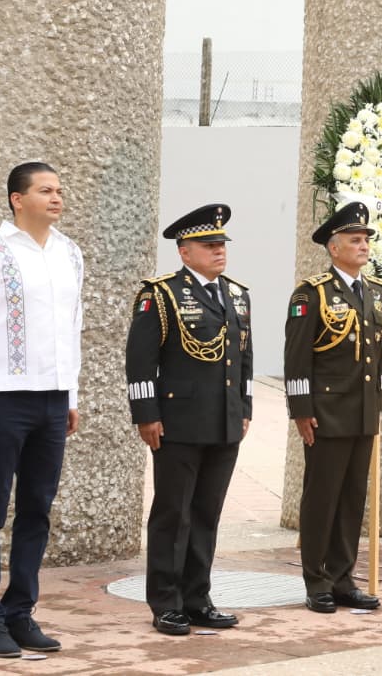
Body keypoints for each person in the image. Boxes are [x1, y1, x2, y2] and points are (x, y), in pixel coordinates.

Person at [0, 162, 82, 659]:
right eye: (45, 190)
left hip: (52, 399)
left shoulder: (70, 253)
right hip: (1, 397)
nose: (56, 197)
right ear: (16, 198)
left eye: (59, 190)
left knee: (37, 508)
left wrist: (70, 395)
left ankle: (20, 611)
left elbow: (72, 328)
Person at [126, 204, 252, 635]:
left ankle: (198, 597)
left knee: (207, 513)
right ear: (185, 252)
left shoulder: (236, 294)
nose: (219, 251)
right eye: (209, 244)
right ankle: (166, 601)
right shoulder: (160, 295)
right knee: (172, 513)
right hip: (178, 422)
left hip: (224, 422)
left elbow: (244, 359)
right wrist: (146, 414)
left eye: (222, 244)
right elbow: (140, 362)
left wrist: (245, 408)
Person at [284, 201, 382, 614]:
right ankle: (317, 580)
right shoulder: (313, 293)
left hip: (363, 412)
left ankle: (344, 577)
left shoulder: (376, 292)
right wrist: (301, 410)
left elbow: (376, 354)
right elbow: (296, 357)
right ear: (334, 247)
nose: (363, 246)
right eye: (355, 240)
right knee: (322, 498)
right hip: (326, 412)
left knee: (351, 499)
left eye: (365, 240)